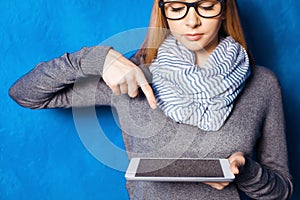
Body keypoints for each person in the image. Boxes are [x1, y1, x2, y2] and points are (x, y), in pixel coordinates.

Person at [9, 0, 293, 199]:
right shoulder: (131, 76)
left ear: (224, 9)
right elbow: (25, 94)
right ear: (163, 12)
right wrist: (97, 59)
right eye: (177, 8)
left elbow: (282, 189)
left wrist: (245, 172)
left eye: (206, 6)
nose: (192, 20)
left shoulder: (262, 84)